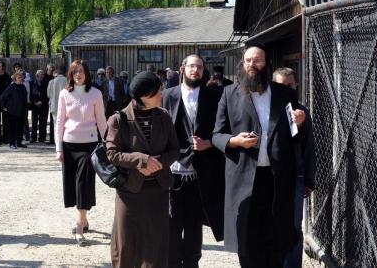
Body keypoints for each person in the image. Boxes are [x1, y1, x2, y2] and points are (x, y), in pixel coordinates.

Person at [212, 44, 306, 268]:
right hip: (245, 180)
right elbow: (216, 135)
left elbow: (295, 138)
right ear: (242, 64)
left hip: (276, 180)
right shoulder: (229, 93)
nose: (251, 65)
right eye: (247, 61)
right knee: (248, 243)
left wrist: (299, 124)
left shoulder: (285, 94)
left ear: (267, 64)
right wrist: (235, 141)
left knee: (276, 242)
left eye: (257, 60)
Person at [106, 71, 179, 268]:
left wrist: (158, 163)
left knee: (156, 246)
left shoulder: (164, 116)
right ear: (145, 96)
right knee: (126, 246)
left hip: (158, 191)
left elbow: (174, 150)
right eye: (158, 91)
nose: (162, 94)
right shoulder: (118, 119)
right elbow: (112, 154)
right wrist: (142, 160)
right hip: (129, 193)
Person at [162, 54, 224, 267]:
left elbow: (222, 130)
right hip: (172, 173)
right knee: (170, 226)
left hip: (200, 174)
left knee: (194, 228)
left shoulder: (214, 96)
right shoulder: (167, 95)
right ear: (182, 68)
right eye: (192, 66)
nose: (195, 70)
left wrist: (209, 143)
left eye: (199, 67)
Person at [55, 59, 108, 246]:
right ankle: (84, 220)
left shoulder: (95, 94)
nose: (78, 75)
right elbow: (59, 122)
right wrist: (58, 148)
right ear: (71, 74)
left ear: (87, 74)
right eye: (75, 71)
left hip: (89, 146)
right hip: (69, 146)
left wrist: (110, 144)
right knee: (73, 186)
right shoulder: (64, 94)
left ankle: (79, 230)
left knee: (83, 184)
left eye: (82, 71)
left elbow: (102, 121)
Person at [273, 67, 315, 268]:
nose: (285, 89)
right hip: (270, 176)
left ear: (296, 86)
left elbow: (308, 147)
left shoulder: (302, 111)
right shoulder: (267, 110)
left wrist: (309, 180)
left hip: (295, 176)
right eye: (281, 85)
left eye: (289, 85)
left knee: (294, 226)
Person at [1, 70, 28, 149]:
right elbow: (3, 97)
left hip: (21, 111)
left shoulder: (23, 86)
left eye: (21, 77)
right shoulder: (11, 87)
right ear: (15, 78)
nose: (20, 78)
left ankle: (19, 142)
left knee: (20, 127)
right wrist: (4, 107)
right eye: (18, 77)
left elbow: (25, 98)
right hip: (13, 111)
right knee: (13, 128)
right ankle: (12, 143)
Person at [47, 67, 67, 146]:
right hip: (65, 106)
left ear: (56, 74)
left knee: (56, 125)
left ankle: (58, 143)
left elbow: (48, 94)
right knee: (65, 125)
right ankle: (64, 142)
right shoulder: (66, 80)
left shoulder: (51, 82)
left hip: (54, 106)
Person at [29, 69, 50, 143]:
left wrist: (42, 101)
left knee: (43, 122)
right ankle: (33, 138)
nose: (43, 76)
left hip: (44, 105)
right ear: (37, 75)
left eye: (43, 75)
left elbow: (48, 95)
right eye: (41, 74)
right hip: (35, 106)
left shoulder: (47, 83)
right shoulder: (31, 83)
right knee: (34, 122)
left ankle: (42, 138)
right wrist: (35, 102)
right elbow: (29, 94)